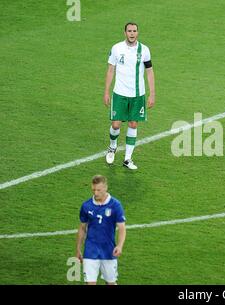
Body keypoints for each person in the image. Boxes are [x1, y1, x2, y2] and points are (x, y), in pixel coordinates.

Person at [104, 22, 155, 170]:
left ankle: (127, 159)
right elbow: (110, 70)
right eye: (129, 31)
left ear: (137, 33)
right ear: (125, 33)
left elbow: (150, 71)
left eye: (134, 31)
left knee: (133, 124)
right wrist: (106, 91)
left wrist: (152, 93)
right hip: (119, 93)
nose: (132, 33)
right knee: (116, 124)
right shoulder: (116, 48)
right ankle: (112, 146)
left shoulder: (144, 50)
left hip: (138, 95)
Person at [76, 175, 126, 284]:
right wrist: (78, 249)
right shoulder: (86, 206)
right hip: (90, 250)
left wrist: (120, 245)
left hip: (108, 250)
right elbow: (82, 228)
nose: (96, 193)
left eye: (98, 190)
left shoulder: (115, 205)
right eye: (93, 190)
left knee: (111, 283)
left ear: (105, 188)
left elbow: (122, 228)